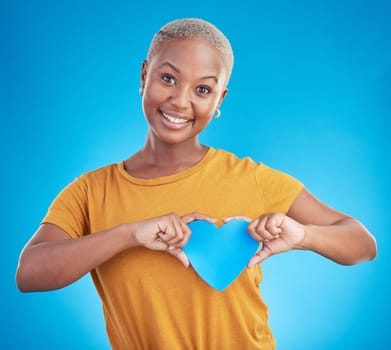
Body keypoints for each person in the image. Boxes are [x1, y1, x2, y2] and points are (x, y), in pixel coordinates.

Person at [16, 18, 377, 349]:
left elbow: (362, 243)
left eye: (203, 90)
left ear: (220, 99)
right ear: (144, 75)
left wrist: (305, 236)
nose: (180, 100)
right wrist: (128, 235)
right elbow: (29, 273)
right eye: (168, 78)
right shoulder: (91, 191)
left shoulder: (251, 177)